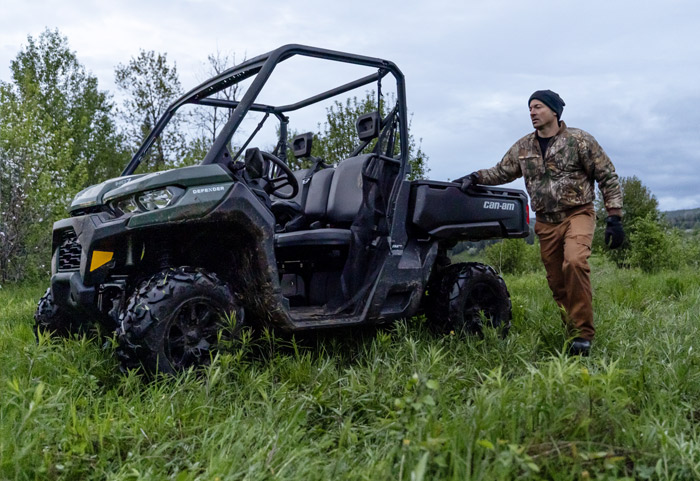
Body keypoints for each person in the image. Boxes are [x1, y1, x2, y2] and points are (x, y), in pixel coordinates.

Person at [457, 90, 624, 356]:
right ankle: (572, 332)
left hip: (577, 214)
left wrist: (614, 216)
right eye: (530, 108)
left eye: (538, 107)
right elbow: (502, 171)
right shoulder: (524, 146)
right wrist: (475, 177)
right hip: (546, 222)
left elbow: (607, 176)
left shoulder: (579, 140)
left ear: (554, 111)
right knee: (557, 282)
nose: (532, 112)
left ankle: (583, 335)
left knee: (574, 262)